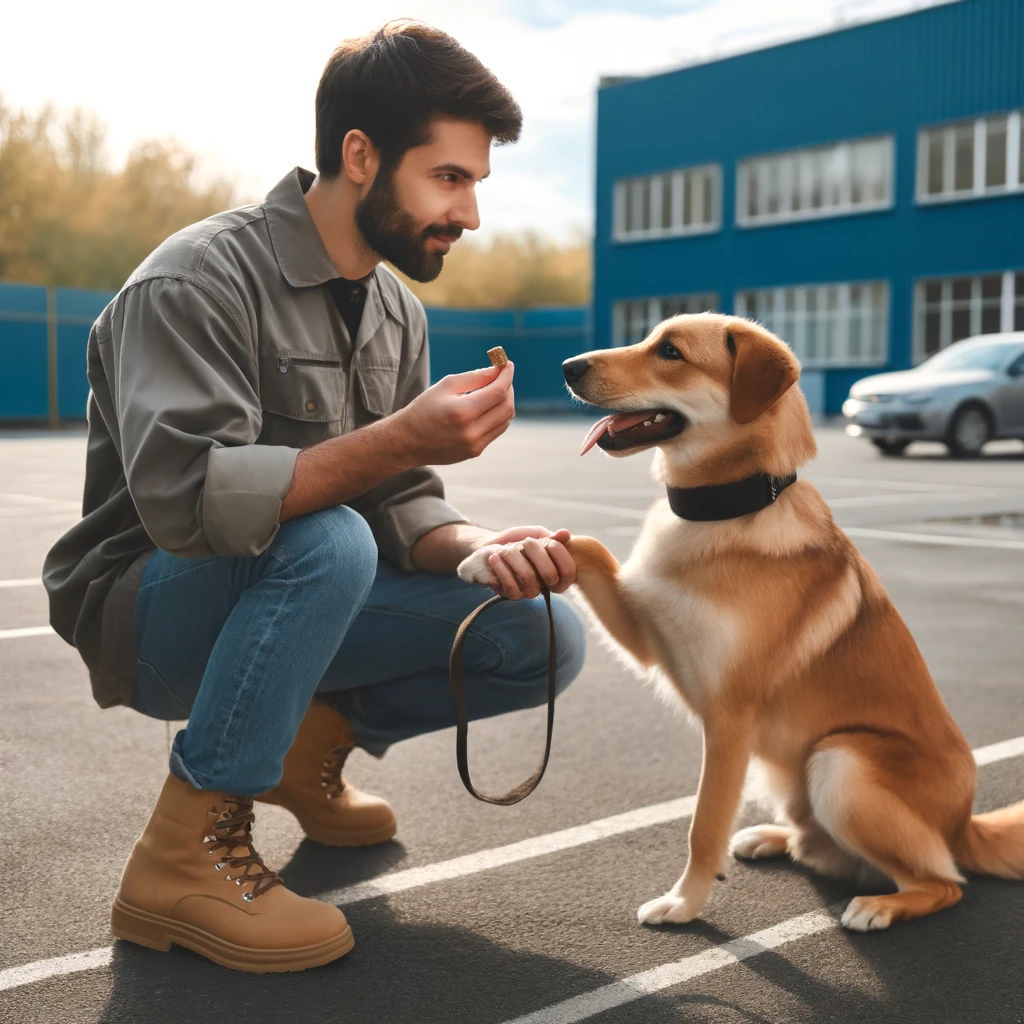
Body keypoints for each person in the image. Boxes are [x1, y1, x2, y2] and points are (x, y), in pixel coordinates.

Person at [42, 20, 586, 974]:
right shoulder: (194, 278)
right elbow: (191, 506)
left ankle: (298, 753)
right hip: (147, 611)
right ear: (361, 156)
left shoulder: (397, 310)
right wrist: (398, 436)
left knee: (537, 631)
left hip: (284, 594)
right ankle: (183, 855)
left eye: (475, 185)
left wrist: (477, 548)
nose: (469, 214)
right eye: (449, 178)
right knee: (330, 540)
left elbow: (407, 501)